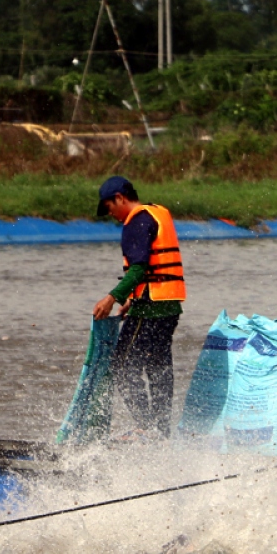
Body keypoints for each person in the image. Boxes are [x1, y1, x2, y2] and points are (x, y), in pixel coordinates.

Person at [91, 175, 186, 436]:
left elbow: (140, 268)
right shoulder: (157, 213)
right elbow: (154, 266)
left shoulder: (135, 222)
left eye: (109, 207)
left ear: (120, 198)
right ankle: (162, 432)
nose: (111, 215)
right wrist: (132, 298)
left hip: (151, 307)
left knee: (120, 366)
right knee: (158, 368)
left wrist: (113, 297)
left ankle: (145, 428)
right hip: (169, 305)